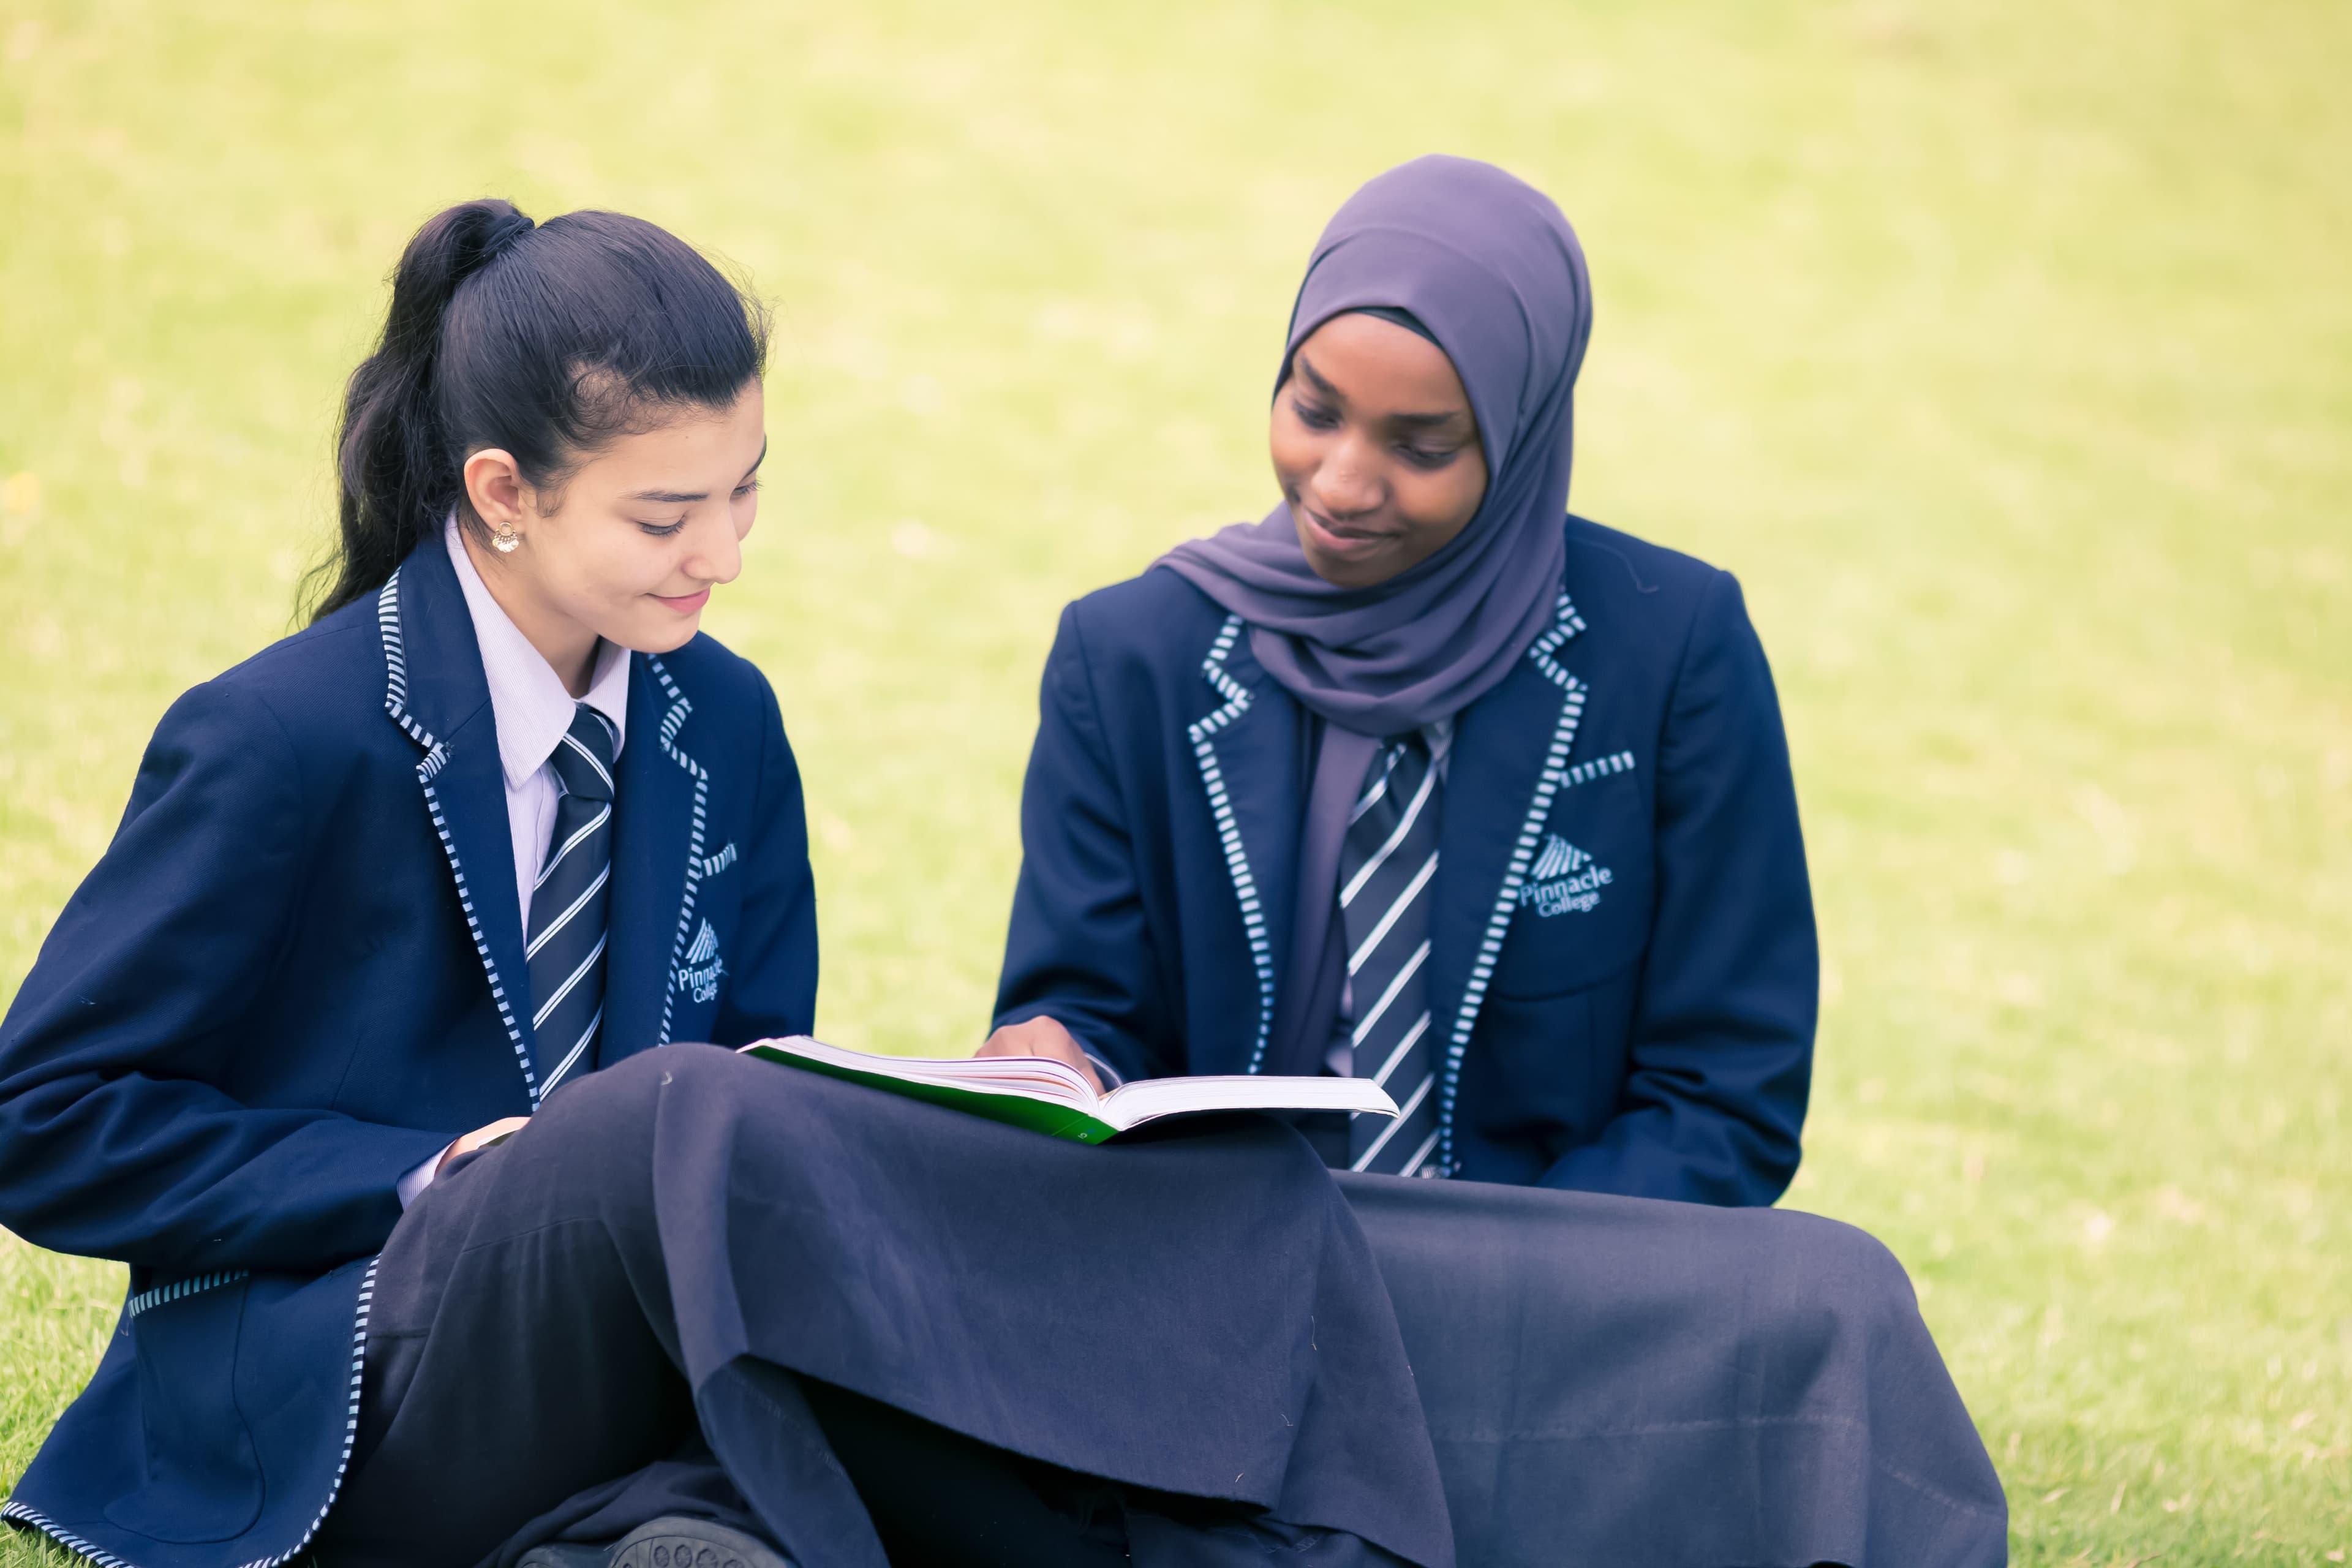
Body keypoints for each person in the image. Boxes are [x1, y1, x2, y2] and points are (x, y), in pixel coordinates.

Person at [0, 201, 1455, 1568]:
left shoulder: (725, 723)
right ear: (502, 491)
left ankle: (663, 1530)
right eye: (665, 515)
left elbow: (754, 1079)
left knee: (904, 1232)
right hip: (348, 1348)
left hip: (645, 1332)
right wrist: (426, 1173)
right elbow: (46, 1116)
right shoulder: (283, 736)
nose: (726, 554)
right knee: (669, 1151)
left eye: (747, 491)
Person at [989, 156, 2010, 1564]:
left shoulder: (1673, 646)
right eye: (1313, 411)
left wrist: (1487, 1282)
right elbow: (1088, 1006)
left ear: (1524, 436)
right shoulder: (1137, 653)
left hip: (1561, 1297)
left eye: (1421, 442)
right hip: (1231, 1274)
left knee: (1839, 1296)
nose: (1342, 480)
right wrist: (1051, 1056)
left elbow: (1727, 1092)